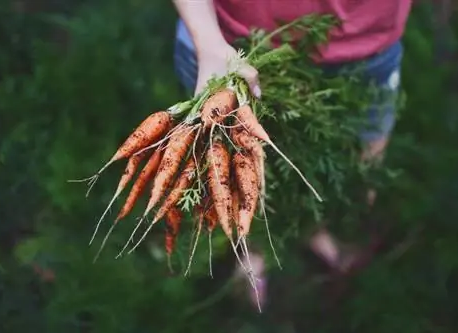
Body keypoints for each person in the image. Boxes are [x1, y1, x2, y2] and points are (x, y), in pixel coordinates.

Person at [172, 0, 412, 308]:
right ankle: (253, 251)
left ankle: (317, 228)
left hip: (369, 42)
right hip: (227, 40)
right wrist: (207, 40)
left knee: (355, 172)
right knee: (238, 170)